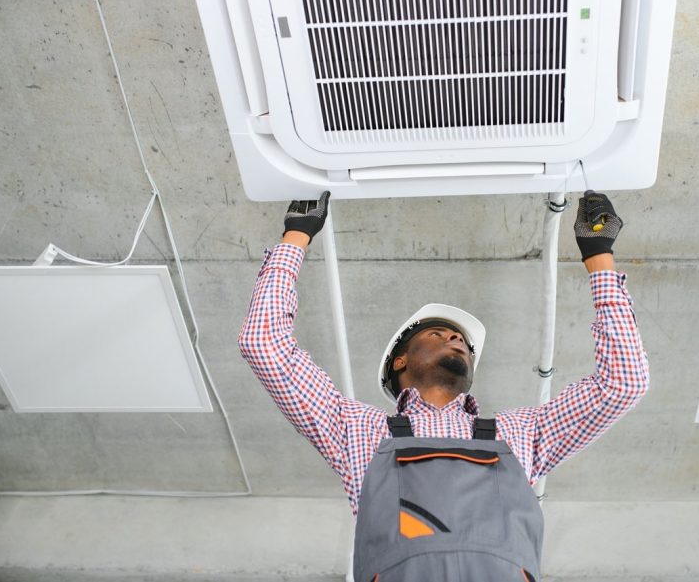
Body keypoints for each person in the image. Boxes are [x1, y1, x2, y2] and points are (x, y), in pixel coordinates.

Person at [239, 191, 649, 581]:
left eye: (464, 343)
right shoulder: (355, 430)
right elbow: (263, 344)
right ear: (400, 360)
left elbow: (624, 382)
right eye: (439, 333)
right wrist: (296, 236)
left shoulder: (523, 433)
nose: (457, 341)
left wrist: (599, 257)